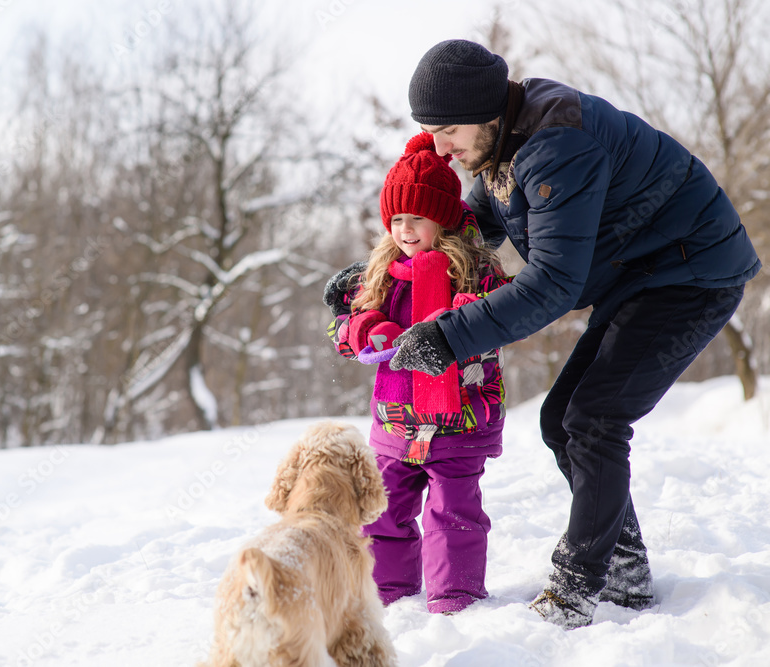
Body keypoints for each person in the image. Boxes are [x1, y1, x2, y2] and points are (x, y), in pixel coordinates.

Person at [325, 39, 761, 628]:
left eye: (447, 130)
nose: (441, 148)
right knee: (564, 420)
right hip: (640, 276)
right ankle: (623, 573)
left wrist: (449, 336)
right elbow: (459, 228)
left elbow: (553, 283)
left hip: (691, 273)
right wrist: (380, 274)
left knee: (593, 419)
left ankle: (578, 584)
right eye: (431, 132)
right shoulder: (502, 146)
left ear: (484, 111)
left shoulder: (555, 147)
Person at [327, 132, 511, 614]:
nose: (405, 230)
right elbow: (343, 328)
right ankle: (387, 595)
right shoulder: (381, 274)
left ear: (443, 220)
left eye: (418, 218)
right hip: (394, 424)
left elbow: (506, 314)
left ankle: (456, 597)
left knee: (453, 515)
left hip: (458, 423)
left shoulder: (473, 271)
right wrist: (366, 327)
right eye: (397, 219)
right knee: (381, 514)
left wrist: (466, 316)